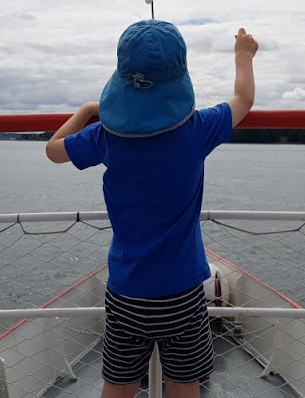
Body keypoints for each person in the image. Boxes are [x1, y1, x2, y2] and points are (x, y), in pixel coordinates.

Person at [46, 20, 258, 398]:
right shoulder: (198, 129)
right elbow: (243, 100)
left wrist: (87, 109)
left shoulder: (106, 136)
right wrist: (243, 55)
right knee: (184, 385)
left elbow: (54, 150)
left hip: (126, 290)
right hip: (182, 293)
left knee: (119, 384)